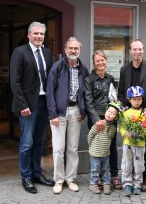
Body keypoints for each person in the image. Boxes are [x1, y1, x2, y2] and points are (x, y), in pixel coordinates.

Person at [10, 21, 54, 194]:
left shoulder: (47, 52)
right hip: (28, 106)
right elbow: (15, 81)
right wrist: (23, 105)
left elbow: (50, 79)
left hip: (43, 103)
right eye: (35, 33)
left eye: (41, 34)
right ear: (29, 35)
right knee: (27, 143)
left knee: (39, 142)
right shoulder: (19, 52)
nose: (39, 37)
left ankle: (37, 174)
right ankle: (26, 177)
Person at [118, 39, 146, 191]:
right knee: (130, 147)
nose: (137, 52)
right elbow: (121, 92)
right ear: (130, 51)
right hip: (130, 115)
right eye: (134, 49)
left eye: (140, 49)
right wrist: (124, 107)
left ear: (143, 50)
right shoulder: (124, 69)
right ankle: (129, 177)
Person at [46, 37, 89, 194]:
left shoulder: (83, 70)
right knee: (58, 148)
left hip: (76, 112)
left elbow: (86, 93)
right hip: (59, 113)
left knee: (72, 148)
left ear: (80, 50)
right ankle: (58, 180)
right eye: (70, 48)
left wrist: (83, 111)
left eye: (76, 48)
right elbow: (50, 92)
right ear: (65, 50)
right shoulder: (57, 67)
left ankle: (70, 179)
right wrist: (53, 114)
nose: (73, 51)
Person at [84, 50, 122, 190]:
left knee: (111, 147)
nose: (100, 63)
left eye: (102, 60)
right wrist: (96, 119)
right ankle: (98, 177)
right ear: (94, 63)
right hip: (97, 119)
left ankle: (113, 175)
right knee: (97, 148)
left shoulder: (110, 78)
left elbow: (113, 98)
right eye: (97, 61)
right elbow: (88, 101)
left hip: (110, 118)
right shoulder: (89, 79)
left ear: (106, 61)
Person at [119, 86, 146, 197]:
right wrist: (125, 133)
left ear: (142, 99)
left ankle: (137, 184)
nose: (137, 101)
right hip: (128, 144)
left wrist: (145, 130)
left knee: (139, 165)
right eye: (134, 99)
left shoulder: (144, 114)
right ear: (129, 100)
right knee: (127, 164)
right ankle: (127, 184)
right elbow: (122, 127)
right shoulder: (126, 113)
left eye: (139, 99)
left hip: (140, 144)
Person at [87, 102, 124, 195]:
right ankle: (93, 184)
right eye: (108, 111)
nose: (109, 114)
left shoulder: (113, 128)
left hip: (105, 153)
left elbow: (110, 139)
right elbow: (90, 136)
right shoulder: (99, 124)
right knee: (95, 169)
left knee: (106, 169)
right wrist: (90, 147)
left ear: (116, 117)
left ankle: (106, 183)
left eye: (112, 113)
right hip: (95, 152)